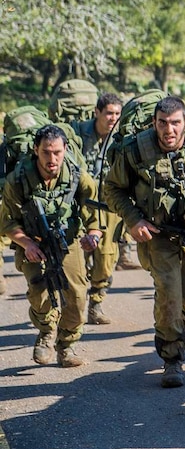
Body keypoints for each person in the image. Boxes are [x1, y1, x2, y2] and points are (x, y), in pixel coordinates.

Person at [103, 96, 185, 388]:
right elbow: (113, 189)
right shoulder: (136, 150)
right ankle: (172, 357)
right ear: (154, 123)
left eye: (175, 123)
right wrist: (133, 220)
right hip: (157, 234)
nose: (169, 130)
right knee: (169, 291)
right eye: (162, 123)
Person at [1, 125, 102, 367]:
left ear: (65, 149)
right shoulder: (18, 180)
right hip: (32, 243)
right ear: (36, 150)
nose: (52, 158)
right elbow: (6, 221)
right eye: (46, 152)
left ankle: (66, 345)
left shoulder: (78, 177)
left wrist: (93, 237)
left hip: (67, 241)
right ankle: (46, 332)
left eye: (57, 152)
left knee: (77, 299)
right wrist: (26, 243)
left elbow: (94, 217)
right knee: (40, 294)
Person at [72, 92, 123, 324]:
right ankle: (73, 303)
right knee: (77, 256)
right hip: (80, 203)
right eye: (109, 113)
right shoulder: (78, 134)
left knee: (106, 257)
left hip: (109, 205)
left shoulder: (121, 138)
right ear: (97, 112)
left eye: (117, 114)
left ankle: (96, 304)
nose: (113, 118)